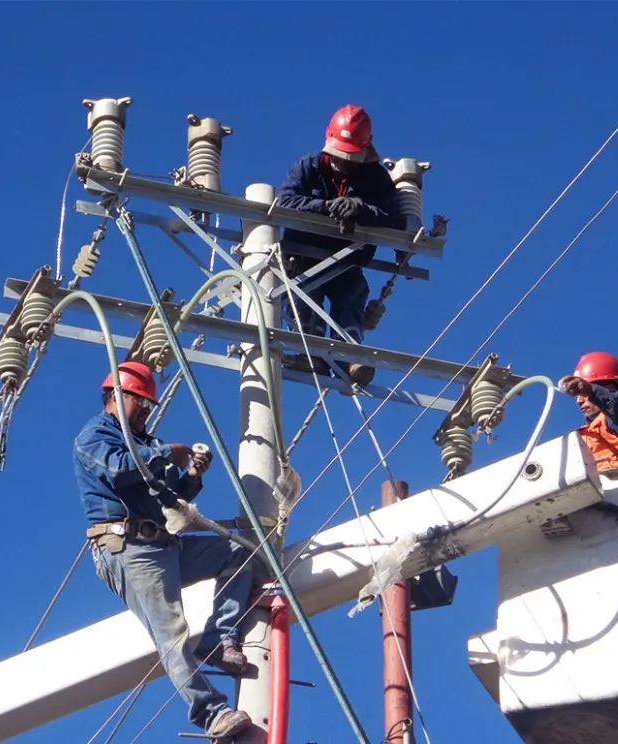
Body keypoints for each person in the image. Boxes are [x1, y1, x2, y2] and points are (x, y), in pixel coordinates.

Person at [72, 361, 253, 740]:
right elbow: (120, 471)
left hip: (164, 544)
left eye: (149, 406)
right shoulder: (95, 435)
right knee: (171, 631)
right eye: (142, 403)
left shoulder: (145, 443)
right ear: (118, 397)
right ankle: (212, 713)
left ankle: (218, 640)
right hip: (129, 548)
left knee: (237, 554)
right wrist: (167, 453)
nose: (146, 411)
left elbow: (170, 496)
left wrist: (192, 476)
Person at [276, 104, 405, 386]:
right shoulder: (308, 167)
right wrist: (325, 207)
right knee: (301, 296)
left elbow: (394, 218)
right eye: (338, 155)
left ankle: (347, 359)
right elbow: (285, 201)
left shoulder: (375, 178)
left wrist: (361, 210)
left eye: (349, 157)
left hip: (346, 259)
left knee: (351, 294)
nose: (342, 162)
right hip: (304, 255)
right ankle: (311, 354)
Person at [558, 351, 618, 491]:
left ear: (606, 387)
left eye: (581, 393)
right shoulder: (586, 434)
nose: (579, 401)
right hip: (589, 499)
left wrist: (592, 392)